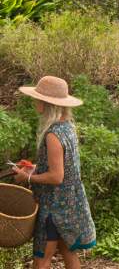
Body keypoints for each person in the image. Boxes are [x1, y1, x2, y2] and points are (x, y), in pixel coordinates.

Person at [13, 76, 96, 269]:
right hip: (70, 204)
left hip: (55, 208)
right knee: (69, 253)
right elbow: (62, 169)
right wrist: (34, 167)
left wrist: (28, 177)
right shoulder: (68, 127)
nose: (35, 101)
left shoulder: (53, 134)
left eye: (37, 98)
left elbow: (57, 176)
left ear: (46, 103)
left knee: (41, 260)